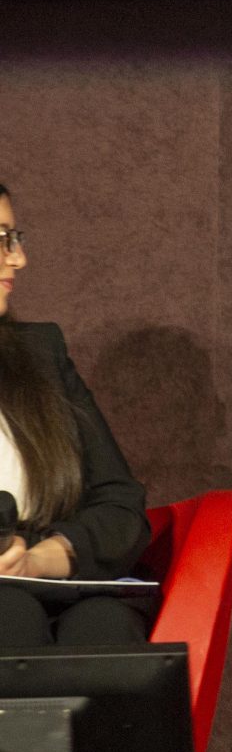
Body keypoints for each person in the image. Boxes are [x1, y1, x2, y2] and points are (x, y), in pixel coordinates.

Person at [0, 181, 152, 646]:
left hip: (55, 583)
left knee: (104, 626)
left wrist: (39, 559)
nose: (18, 259)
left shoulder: (41, 355)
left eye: (14, 238)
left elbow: (120, 506)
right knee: (10, 614)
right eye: (1, 240)